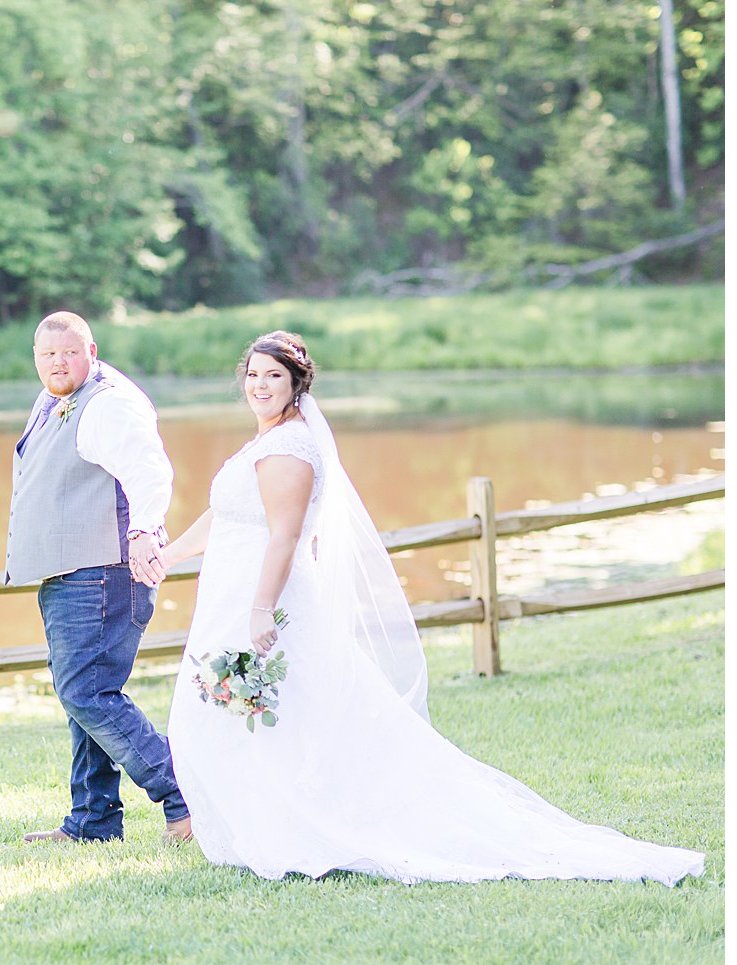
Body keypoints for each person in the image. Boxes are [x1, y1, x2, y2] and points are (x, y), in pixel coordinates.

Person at [155, 330, 704, 885]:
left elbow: (284, 536)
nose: (259, 385)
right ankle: (262, 820)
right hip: (234, 593)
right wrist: (167, 553)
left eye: (273, 375)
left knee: (276, 709)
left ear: (297, 384)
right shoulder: (264, 444)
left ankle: (297, 824)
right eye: (252, 375)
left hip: (266, 599)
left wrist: (260, 610)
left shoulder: (288, 450)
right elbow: (226, 515)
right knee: (261, 711)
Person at [7, 310, 192, 844]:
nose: (58, 363)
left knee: (87, 693)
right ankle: (94, 822)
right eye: (47, 355)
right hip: (71, 573)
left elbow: (149, 471)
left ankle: (184, 795)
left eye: (69, 352)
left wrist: (144, 532)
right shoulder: (54, 398)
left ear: (92, 350)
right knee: (84, 696)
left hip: (104, 573)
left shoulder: (108, 402)